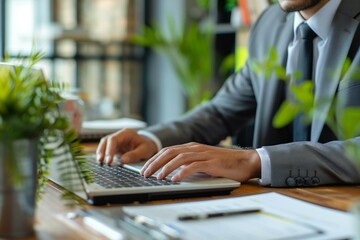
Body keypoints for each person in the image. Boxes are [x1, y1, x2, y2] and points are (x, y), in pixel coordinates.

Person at [97, 0, 360, 187]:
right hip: (270, 207)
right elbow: (221, 111)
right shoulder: (269, 24)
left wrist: (255, 161)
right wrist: (152, 139)